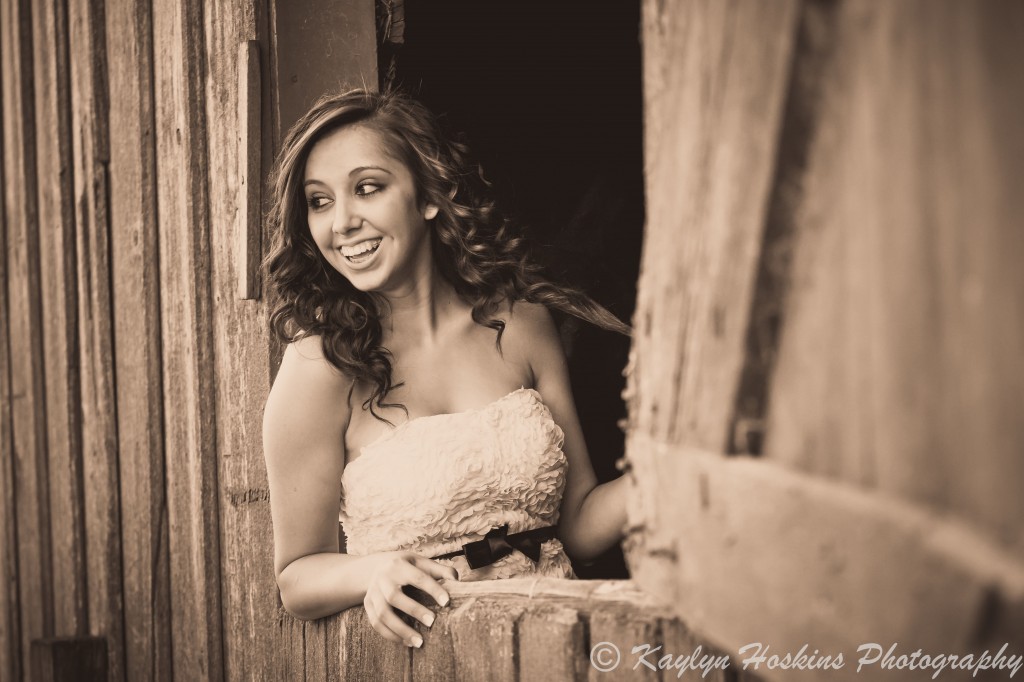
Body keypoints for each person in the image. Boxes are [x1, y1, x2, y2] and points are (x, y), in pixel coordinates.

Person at [262, 88, 630, 648]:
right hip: (431, 656)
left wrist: (666, 479)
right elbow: (296, 577)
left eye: (367, 188)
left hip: (556, 647)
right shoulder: (320, 368)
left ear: (429, 196)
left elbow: (578, 525)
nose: (342, 222)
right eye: (318, 201)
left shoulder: (522, 323)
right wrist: (371, 572)